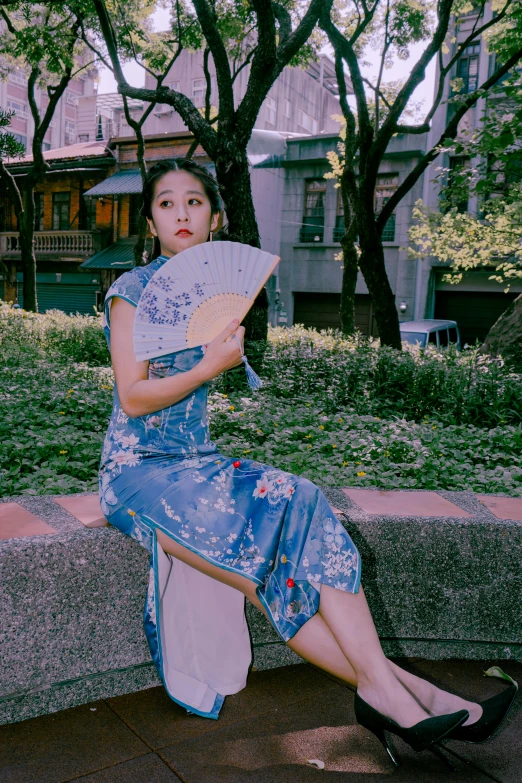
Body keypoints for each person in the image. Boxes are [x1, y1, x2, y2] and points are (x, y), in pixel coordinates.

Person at [98, 158, 516, 769]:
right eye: (166, 203)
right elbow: (133, 397)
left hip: (198, 462)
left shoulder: (219, 293)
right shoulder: (132, 293)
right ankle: (410, 695)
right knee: (272, 574)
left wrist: (212, 359)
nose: (181, 213)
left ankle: (396, 694)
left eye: (194, 202)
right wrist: (207, 368)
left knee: (304, 497)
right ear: (152, 220)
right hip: (139, 472)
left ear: (216, 217)